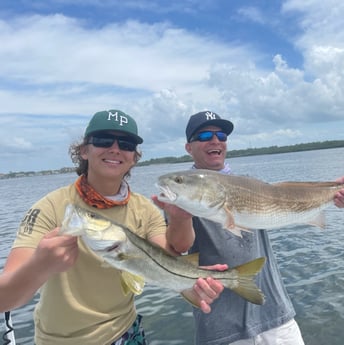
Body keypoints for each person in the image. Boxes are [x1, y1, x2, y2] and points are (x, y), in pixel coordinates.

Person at [0, 109, 224, 345]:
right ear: (84, 151)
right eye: (104, 140)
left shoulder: (144, 209)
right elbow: (4, 300)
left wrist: (192, 278)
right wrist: (39, 266)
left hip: (128, 334)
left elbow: (170, 256)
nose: (115, 149)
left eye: (126, 144)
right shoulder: (51, 207)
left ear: (134, 157)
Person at [155, 110, 344, 345]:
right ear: (188, 147)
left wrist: (331, 189)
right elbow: (178, 247)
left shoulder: (248, 184)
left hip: (276, 315)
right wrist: (181, 217)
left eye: (221, 135)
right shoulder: (181, 199)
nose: (215, 141)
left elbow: (282, 196)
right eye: (204, 136)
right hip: (221, 326)